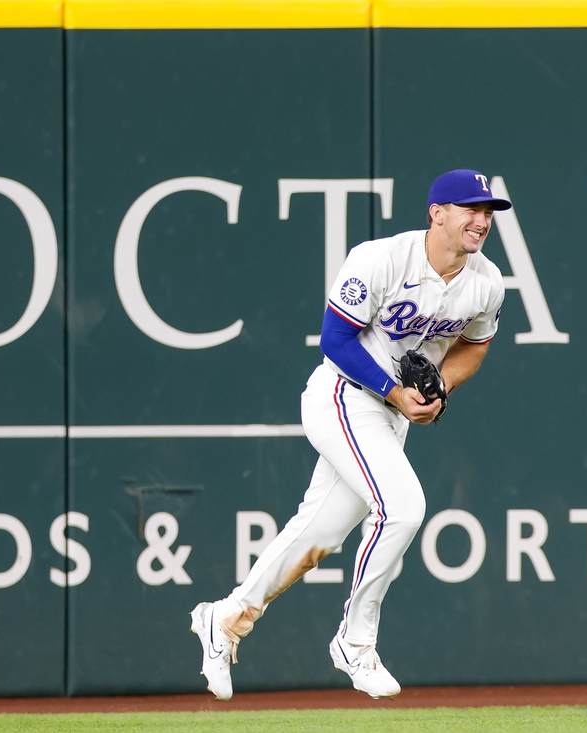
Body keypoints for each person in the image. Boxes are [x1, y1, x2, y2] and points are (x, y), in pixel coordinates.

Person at [190, 169, 510, 700]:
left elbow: (476, 345)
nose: (482, 220)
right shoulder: (381, 258)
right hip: (343, 395)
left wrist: (440, 390)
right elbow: (335, 339)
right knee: (403, 507)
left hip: (389, 413)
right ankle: (354, 641)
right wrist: (394, 391)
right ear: (437, 212)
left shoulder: (486, 281)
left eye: (488, 211)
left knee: (318, 535)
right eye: (470, 208)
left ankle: (225, 617)